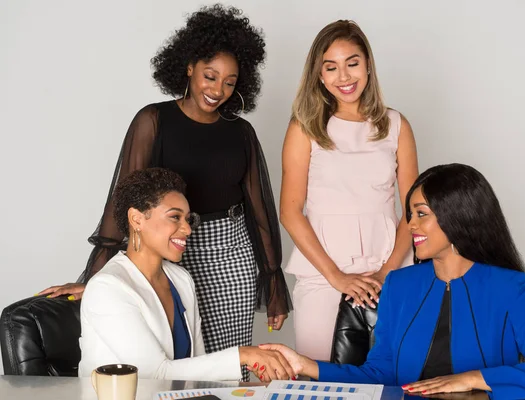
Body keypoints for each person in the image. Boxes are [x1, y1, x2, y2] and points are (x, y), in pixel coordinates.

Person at [37, 5, 291, 380]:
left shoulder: (241, 133)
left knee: (232, 367)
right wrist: (97, 278)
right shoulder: (153, 120)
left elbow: (259, 210)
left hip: (231, 253)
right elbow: (126, 202)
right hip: (174, 247)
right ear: (189, 67)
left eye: (230, 82)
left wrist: (272, 280)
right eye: (210, 76)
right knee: (177, 359)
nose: (218, 90)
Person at [262, 164, 525, 399]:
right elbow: (379, 374)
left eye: (421, 214)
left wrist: (472, 379)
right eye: (409, 214)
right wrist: (305, 365)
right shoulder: (400, 286)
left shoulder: (509, 288)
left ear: (457, 216)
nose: (410, 225)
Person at [280, 19, 418, 361]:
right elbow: (290, 212)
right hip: (324, 272)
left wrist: (387, 272)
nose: (344, 77)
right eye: (331, 67)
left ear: (368, 66)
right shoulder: (305, 127)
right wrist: (337, 277)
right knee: (321, 379)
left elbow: (413, 211)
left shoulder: (397, 126)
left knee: (396, 379)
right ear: (320, 75)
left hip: (391, 270)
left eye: (352, 63)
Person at [78, 168, 294, 382]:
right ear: (136, 219)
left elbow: (196, 367)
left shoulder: (180, 279)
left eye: (187, 219)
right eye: (175, 217)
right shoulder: (108, 287)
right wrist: (244, 355)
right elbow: (153, 375)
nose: (188, 230)